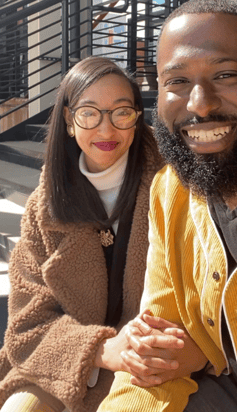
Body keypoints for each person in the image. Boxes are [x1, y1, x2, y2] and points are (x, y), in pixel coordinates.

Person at [97, 1, 237, 411]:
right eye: (178, 81)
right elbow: (156, 358)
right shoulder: (170, 192)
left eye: (225, 75)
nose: (200, 104)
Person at [0, 56, 204, 412]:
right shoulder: (43, 207)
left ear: (139, 117)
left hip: (153, 363)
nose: (106, 131)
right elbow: (26, 326)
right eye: (89, 113)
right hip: (66, 364)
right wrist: (102, 349)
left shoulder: (176, 184)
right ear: (68, 120)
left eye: (121, 112)